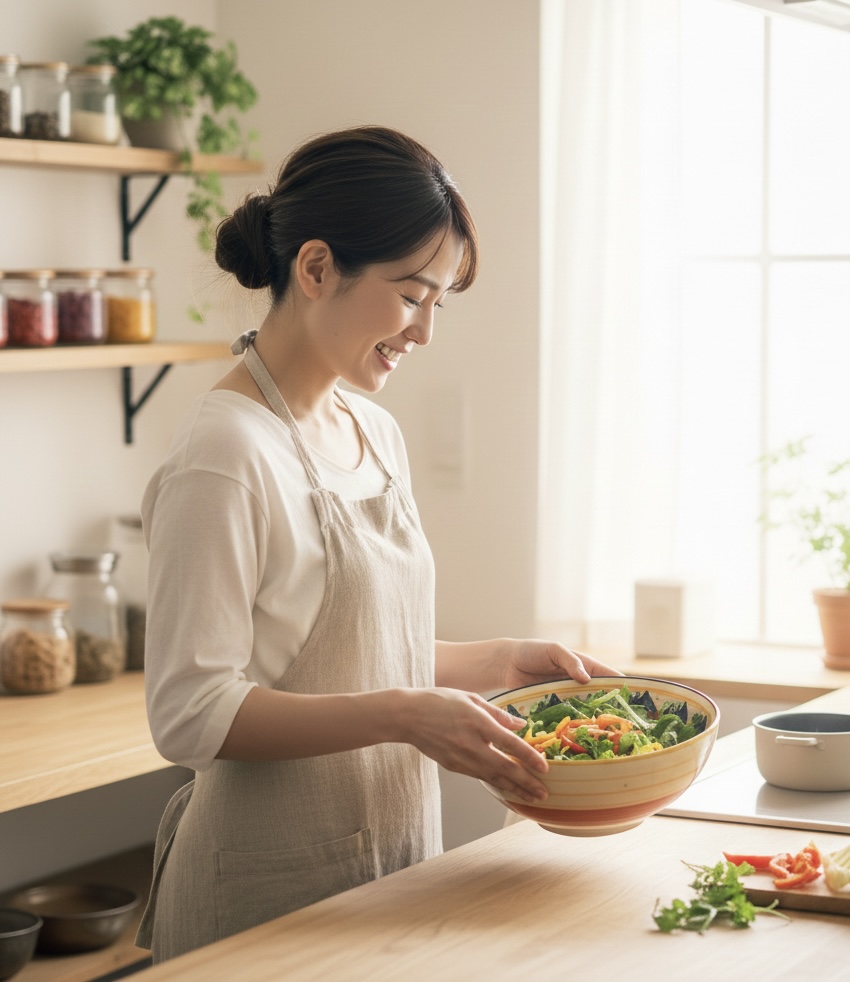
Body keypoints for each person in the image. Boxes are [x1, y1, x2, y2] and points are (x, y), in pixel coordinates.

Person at [135, 125, 620, 962]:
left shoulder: (374, 432)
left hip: (393, 871)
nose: (424, 331)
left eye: (439, 304)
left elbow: (344, 652)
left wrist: (498, 661)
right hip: (259, 895)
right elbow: (190, 711)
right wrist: (405, 716)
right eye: (410, 295)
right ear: (317, 268)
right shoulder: (225, 453)